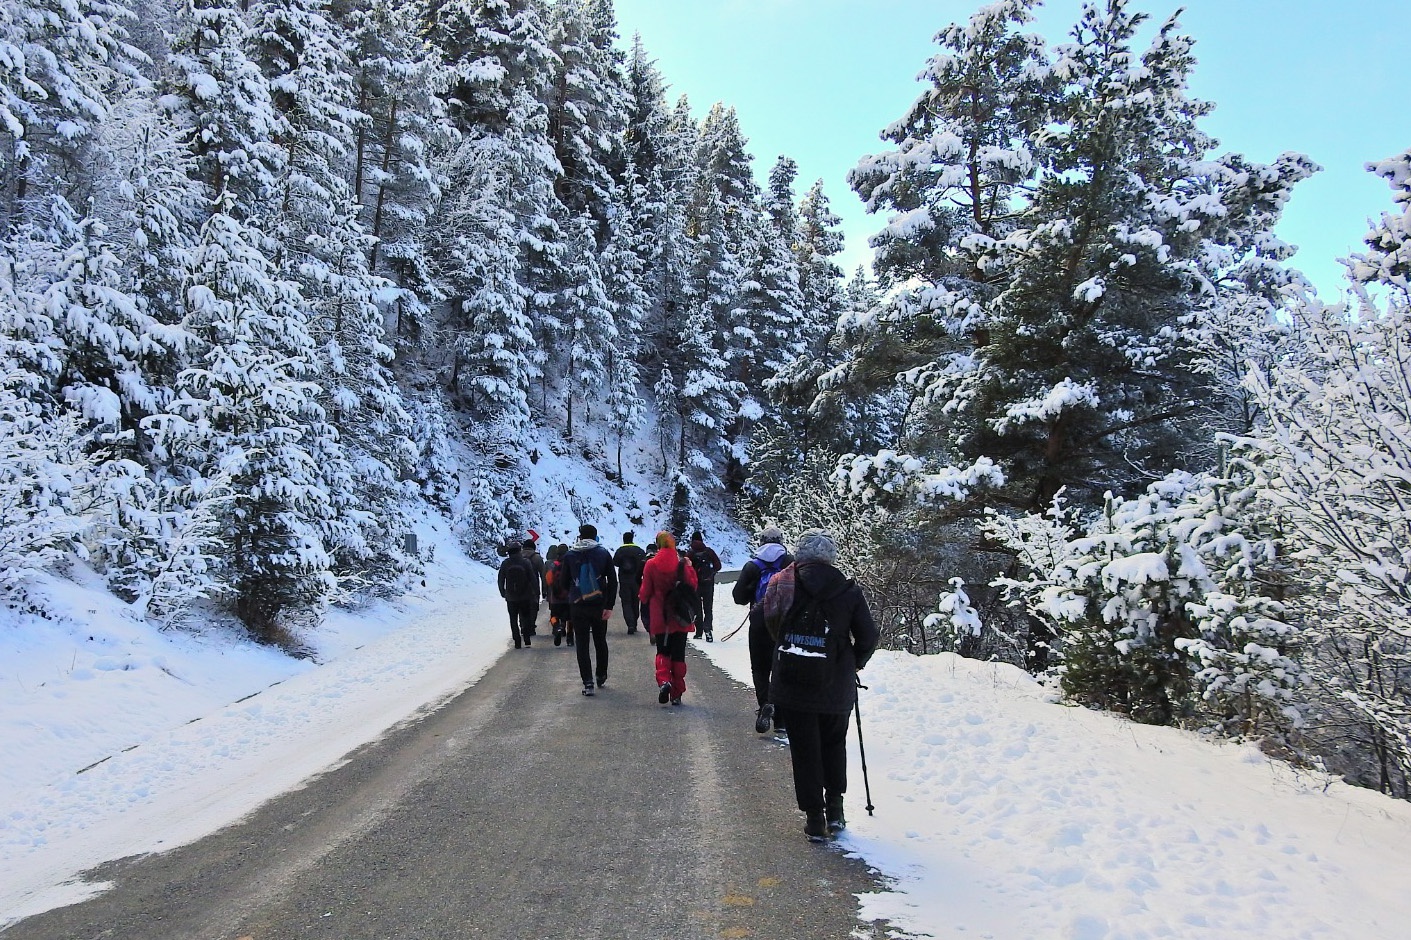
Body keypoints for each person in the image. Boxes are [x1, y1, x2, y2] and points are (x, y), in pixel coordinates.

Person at [767, 529, 879, 842]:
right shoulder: (848, 590)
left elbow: (770, 624)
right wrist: (851, 662)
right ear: (831, 557)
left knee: (804, 751)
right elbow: (868, 636)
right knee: (833, 744)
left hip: (794, 681)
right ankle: (837, 810)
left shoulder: (783, 583)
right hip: (835, 683)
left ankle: (815, 818)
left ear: (799, 554)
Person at [732, 526, 793, 735]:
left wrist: (753, 592)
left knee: (759, 668)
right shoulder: (790, 563)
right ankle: (782, 720)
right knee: (781, 668)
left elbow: (738, 597)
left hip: (759, 622)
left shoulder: (752, 566)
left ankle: (765, 704)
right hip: (784, 623)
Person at [639, 531, 699, 705]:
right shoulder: (681, 563)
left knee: (663, 651)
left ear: (658, 544)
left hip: (661, 616)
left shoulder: (650, 564)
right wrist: (689, 566)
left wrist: (644, 600)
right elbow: (693, 585)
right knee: (679, 654)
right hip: (680, 616)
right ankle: (677, 692)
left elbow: (645, 593)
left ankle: (664, 681)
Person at [562, 524, 618, 696]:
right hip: (599, 605)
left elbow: (563, 583)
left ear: (580, 536)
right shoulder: (603, 553)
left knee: (582, 643)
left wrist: (573, 595)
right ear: (595, 536)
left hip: (578, 606)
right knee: (600, 640)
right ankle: (601, 674)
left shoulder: (570, 555)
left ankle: (588, 683)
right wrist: (609, 605)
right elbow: (613, 581)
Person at [497, 541, 540, 649]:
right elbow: (532, 578)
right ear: (519, 551)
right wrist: (536, 591)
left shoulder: (506, 563)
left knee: (513, 618)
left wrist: (503, 592)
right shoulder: (525, 562)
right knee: (525, 617)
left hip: (511, 597)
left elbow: (501, 579)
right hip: (525, 595)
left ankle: (517, 641)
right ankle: (526, 638)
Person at [686, 530, 722, 641]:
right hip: (708, 583)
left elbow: (685, 568)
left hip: (695, 585)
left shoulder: (690, 553)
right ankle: (708, 630)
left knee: (697, 607)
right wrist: (711, 572)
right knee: (708, 607)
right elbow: (718, 565)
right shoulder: (709, 552)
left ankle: (699, 631)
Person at [613, 531, 648, 636]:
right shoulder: (639, 550)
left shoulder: (620, 551)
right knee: (635, 601)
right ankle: (635, 621)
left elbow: (615, 562)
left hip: (624, 580)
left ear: (623, 539)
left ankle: (630, 624)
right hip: (637, 580)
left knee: (626, 602)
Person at [545, 543, 573, 646]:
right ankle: (570, 638)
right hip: (569, 597)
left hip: (555, 597)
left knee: (554, 616)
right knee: (570, 618)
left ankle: (557, 627)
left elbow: (548, 579)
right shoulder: (571, 563)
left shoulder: (553, 565)